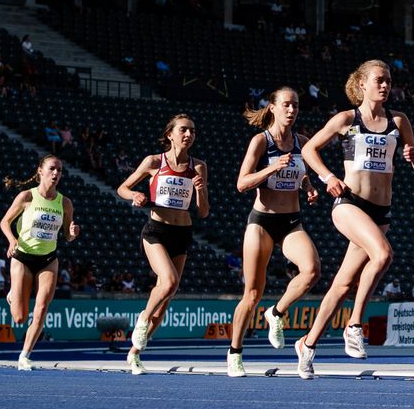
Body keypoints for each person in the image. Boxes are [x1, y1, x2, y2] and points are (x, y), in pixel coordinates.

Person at [294, 60, 414, 378]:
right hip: (349, 204)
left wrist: (413, 158)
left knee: (342, 285)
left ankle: (307, 346)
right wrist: (327, 177)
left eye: (389, 81)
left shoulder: (398, 120)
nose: (385, 85)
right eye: (379, 80)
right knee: (383, 254)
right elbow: (309, 149)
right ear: (362, 84)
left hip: (381, 212)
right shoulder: (347, 119)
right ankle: (354, 325)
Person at [226, 87, 321, 378]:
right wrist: (271, 169)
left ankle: (276, 313)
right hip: (262, 222)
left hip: (291, 221)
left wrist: (308, 188)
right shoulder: (260, 141)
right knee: (252, 293)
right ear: (273, 107)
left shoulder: (302, 142)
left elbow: (302, 173)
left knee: (312, 270)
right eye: (286, 105)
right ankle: (235, 352)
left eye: (295, 106)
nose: (292, 110)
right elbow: (242, 183)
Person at [116, 115, 209, 374]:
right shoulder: (154, 161)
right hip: (156, 230)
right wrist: (134, 194)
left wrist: (200, 191)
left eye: (192, 131)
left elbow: (203, 212)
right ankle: (143, 319)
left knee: (166, 299)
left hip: (183, 232)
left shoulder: (198, 166)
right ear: (170, 134)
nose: (188, 134)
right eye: (183, 130)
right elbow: (122, 187)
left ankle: (134, 354)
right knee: (168, 281)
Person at [0, 155, 79, 370]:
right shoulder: (27, 196)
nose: (56, 174)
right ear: (40, 171)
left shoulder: (65, 203)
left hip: (48, 259)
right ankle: (13, 295)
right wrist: (12, 239)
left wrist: (72, 233)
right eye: (52, 169)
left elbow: (68, 236)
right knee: (19, 318)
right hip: (22, 257)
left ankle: (25, 355)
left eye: (59, 170)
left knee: (42, 308)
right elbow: (5, 222)